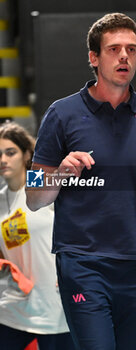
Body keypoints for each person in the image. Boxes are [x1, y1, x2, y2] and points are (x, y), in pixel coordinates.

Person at [26, 12, 136, 350]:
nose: (124, 56)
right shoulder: (61, 114)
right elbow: (34, 195)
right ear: (94, 58)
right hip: (83, 263)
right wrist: (60, 173)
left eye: (132, 49)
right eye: (114, 49)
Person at [0, 121, 75, 350]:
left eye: (10, 153)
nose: (3, 160)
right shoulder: (0, 199)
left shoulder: (42, 185)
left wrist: (74, 268)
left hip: (56, 305)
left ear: (26, 155)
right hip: (13, 308)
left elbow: (80, 226)